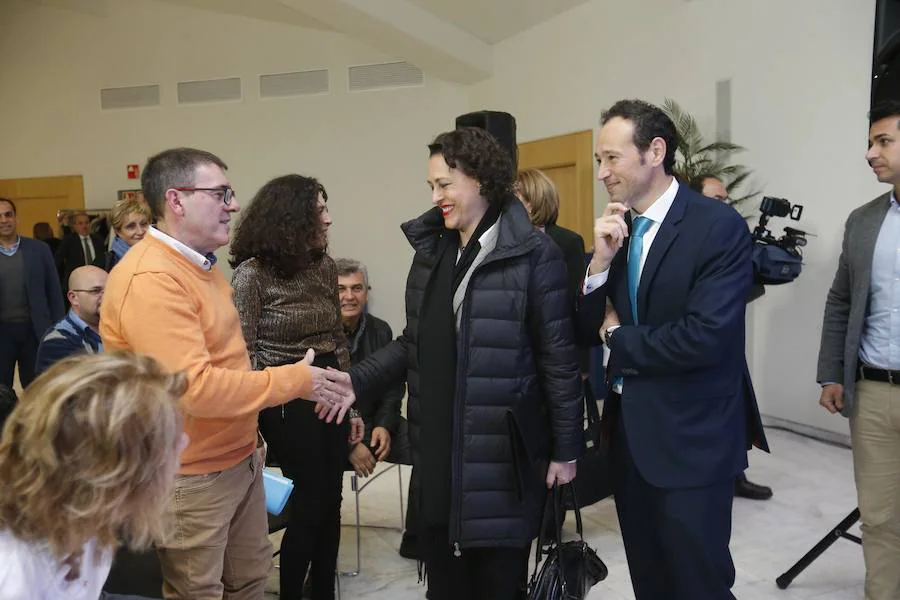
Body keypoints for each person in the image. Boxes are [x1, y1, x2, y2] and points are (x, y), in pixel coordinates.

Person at [100, 147, 355, 599]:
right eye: (221, 193)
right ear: (177, 201)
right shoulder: (152, 279)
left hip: (238, 461)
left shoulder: (203, 267)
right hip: (191, 476)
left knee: (249, 583)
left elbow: (231, 361)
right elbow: (193, 389)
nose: (233, 205)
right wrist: (297, 381)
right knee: (201, 590)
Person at [349, 127, 583, 600]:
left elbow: (558, 358)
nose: (436, 197)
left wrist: (565, 450)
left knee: (497, 583)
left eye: (445, 184)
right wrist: (351, 380)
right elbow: (412, 342)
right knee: (445, 584)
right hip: (438, 452)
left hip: (501, 456)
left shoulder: (534, 255)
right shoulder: (433, 253)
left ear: (481, 181)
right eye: (431, 186)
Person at [581, 99, 768, 600]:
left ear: (655, 151)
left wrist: (618, 338)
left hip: (693, 441)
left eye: (612, 158)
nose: (602, 172)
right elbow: (584, 324)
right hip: (630, 439)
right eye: (600, 159)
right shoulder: (618, 230)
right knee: (650, 579)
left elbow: (703, 336)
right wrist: (599, 262)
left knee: (698, 582)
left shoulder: (717, 227)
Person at [231, 174, 363, 600]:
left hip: (330, 386)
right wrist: (251, 418)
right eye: (319, 210)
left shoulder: (324, 266)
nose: (328, 218)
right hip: (286, 395)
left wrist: (353, 405)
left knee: (332, 496)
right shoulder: (251, 276)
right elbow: (245, 353)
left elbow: (337, 339)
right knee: (311, 499)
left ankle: (323, 589)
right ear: (292, 218)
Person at [0, 352, 188, 600]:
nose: (184, 442)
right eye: (167, 441)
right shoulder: (16, 580)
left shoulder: (81, 513)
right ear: (111, 475)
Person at [817, 99, 900, 600]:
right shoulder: (864, 220)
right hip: (872, 393)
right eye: (870, 143)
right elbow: (841, 299)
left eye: (883, 141)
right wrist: (831, 373)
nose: (870, 153)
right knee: (880, 515)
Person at [689, 173, 774, 501]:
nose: (725, 205)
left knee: (737, 413)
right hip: (694, 348)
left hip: (727, 345)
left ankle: (735, 475)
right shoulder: (686, 240)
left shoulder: (731, 236)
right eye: (716, 199)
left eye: (726, 199)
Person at [335, 258, 419, 558]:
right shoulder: (320, 334)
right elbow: (323, 401)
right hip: (335, 431)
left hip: (377, 426)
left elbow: (393, 387)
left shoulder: (380, 331)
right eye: (341, 289)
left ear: (366, 292)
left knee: (428, 449)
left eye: (356, 288)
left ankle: (419, 538)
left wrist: (385, 424)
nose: (349, 296)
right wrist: (350, 444)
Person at [0, 197, 65, 389]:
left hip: (35, 331)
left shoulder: (39, 250)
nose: (4, 220)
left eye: (8, 215)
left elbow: (54, 292)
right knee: (2, 391)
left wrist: (59, 329)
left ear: (16, 218)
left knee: (37, 388)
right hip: (2, 334)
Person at [35, 265, 107, 375]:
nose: (106, 296)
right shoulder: (57, 342)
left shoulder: (117, 328)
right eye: (96, 291)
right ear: (73, 298)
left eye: (109, 289)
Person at [55, 211, 106, 290]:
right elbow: (58, 260)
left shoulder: (98, 240)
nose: (84, 226)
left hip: (96, 279)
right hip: (77, 280)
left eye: (87, 223)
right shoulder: (69, 241)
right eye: (80, 223)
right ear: (74, 226)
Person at [105, 197, 151, 271]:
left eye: (143, 224)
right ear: (117, 231)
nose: (140, 232)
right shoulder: (107, 262)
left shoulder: (160, 254)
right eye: (131, 226)